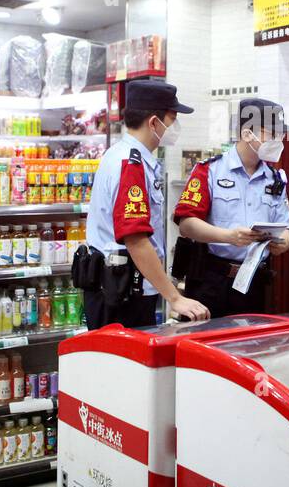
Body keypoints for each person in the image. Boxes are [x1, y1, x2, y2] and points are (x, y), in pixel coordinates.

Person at [75, 79, 210, 329]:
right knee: (124, 366)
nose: (175, 126)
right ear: (153, 122)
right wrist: (174, 297)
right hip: (121, 295)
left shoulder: (125, 156)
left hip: (122, 287)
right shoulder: (131, 165)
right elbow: (136, 239)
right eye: (172, 119)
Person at [172, 98, 289, 316]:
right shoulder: (209, 170)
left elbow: (286, 228)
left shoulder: (275, 179)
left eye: (281, 135)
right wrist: (228, 236)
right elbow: (186, 224)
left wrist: (283, 243)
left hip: (255, 282)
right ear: (247, 134)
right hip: (212, 280)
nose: (278, 141)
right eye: (271, 134)